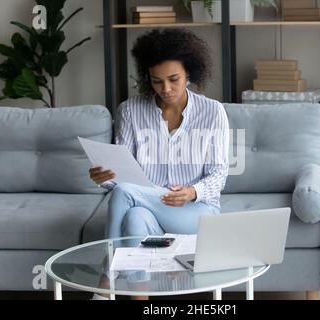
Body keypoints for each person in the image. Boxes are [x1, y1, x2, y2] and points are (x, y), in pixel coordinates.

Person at [89, 29, 229, 299]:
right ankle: (141, 299)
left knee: (125, 192)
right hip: (147, 210)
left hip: (196, 212)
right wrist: (103, 177)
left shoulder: (213, 112)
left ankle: (105, 284)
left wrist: (192, 192)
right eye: (156, 81)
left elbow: (219, 174)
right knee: (134, 217)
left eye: (173, 79)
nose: (165, 89)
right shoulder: (131, 110)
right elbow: (120, 173)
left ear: (189, 73)